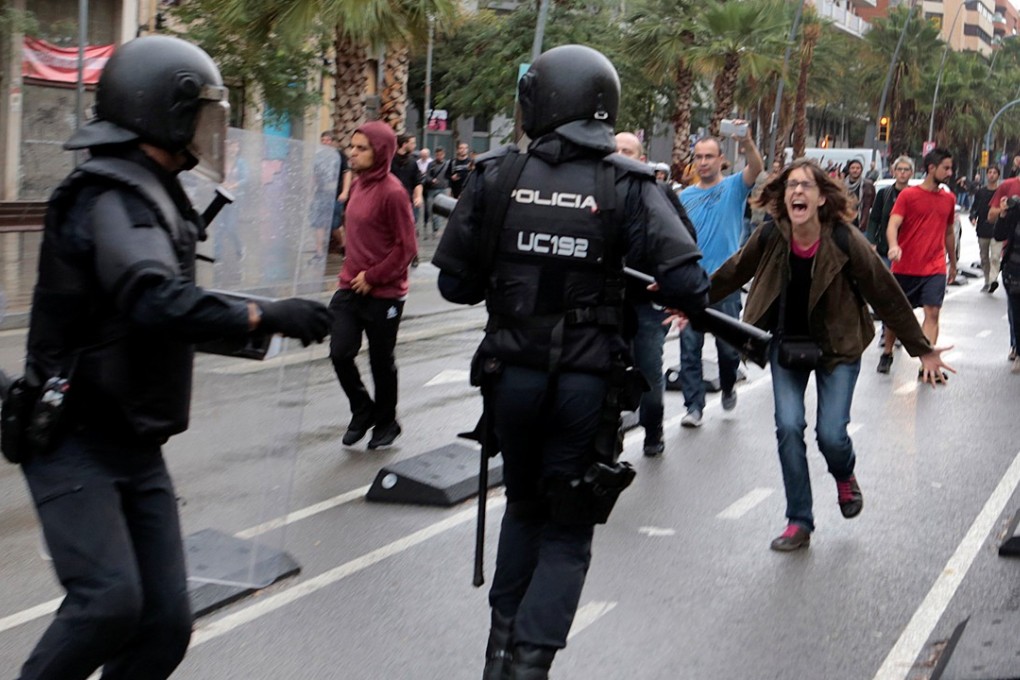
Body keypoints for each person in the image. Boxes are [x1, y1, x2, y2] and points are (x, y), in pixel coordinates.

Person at [13, 36, 331, 680]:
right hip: (73, 435)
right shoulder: (108, 197)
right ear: (165, 112)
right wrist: (265, 313)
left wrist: (269, 324)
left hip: (133, 444)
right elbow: (152, 297)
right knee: (107, 605)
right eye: (205, 112)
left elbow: (161, 315)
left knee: (162, 627)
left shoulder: (151, 190)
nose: (212, 130)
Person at [433, 45, 708, 679]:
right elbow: (689, 285)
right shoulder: (631, 185)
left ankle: (499, 655)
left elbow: (454, 285)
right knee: (567, 524)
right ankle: (529, 666)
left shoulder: (497, 174)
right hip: (584, 387)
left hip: (511, 380)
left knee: (524, 506)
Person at [708, 159, 954, 551]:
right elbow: (733, 272)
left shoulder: (843, 238)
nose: (797, 192)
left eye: (806, 185)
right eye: (790, 186)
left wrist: (921, 349)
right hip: (787, 345)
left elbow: (884, 291)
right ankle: (799, 521)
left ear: (822, 197)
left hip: (838, 347)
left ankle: (844, 475)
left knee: (831, 435)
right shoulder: (771, 234)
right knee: (788, 428)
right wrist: (687, 300)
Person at [330, 121, 418, 450]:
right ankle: (362, 410)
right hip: (349, 284)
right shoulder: (357, 184)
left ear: (380, 151)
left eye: (361, 147)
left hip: (385, 292)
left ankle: (386, 422)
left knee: (381, 361)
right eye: (351, 146)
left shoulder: (394, 192)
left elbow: (407, 247)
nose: (352, 152)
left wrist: (374, 276)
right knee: (340, 351)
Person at [614, 131, 696, 456]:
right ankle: (610, 437)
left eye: (627, 151)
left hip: (648, 303)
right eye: (614, 149)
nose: (619, 155)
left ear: (641, 159)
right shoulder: (597, 191)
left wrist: (666, 277)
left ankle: (653, 430)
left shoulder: (659, 192)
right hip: (608, 303)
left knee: (648, 372)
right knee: (605, 375)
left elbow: (685, 238)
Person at [677, 128, 763, 427]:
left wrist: (747, 141)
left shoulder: (734, 188)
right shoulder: (684, 197)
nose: (703, 162)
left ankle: (728, 385)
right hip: (692, 285)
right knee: (689, 350)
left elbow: (756, 167)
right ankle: (694, 407)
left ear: (720, 160)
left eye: (709, 156)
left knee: (728, 351)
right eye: (698, 157)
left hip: (724, 286)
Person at [883, 147, 957, 381]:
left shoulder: (949, 198)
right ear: (932, 168)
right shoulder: (908, 196)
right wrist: (893, 246)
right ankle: (887, 353)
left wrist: (952, 263)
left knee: (932, 313)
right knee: (897, 316)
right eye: (946, 167)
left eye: (951, 168)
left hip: (934, 267)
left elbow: (948, 234)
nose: (950, 172)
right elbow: (893, 225)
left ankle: (926, 364)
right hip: (905, 267)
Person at [311, 129, 342, 262]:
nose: (325, 142)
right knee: (318, 223)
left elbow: (346, 173)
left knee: (334, 224)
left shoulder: (339, 155)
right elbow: (315, 174)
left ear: (333, 141)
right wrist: (312, 189)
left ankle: (344, 245)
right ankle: (319, 252)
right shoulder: (318, 156)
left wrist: (345, 191)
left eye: (328, 140)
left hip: (335, 194)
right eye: (323, 140)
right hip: (320, 192)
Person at [970, 165, 1001, 293]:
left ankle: (993, 280)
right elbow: (975, 207)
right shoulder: (981, 192)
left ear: (998, 175)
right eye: (989, 172)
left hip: (998, 229)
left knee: (995, 256)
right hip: (983, 228)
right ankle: (987, 280)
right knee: (984, 257)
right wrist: (972, 217)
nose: (992, 175)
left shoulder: (1001, 191)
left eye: (994, 172)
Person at [424, 146, 451, 233]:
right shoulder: (431, 164)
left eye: (441, 154)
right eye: (437, 154)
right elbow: (427, 176)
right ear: (435, 155)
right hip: (432, 189)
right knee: (430, 208)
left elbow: (450, 175)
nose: (439, 156)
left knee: (441, 208)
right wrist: (431, 180)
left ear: (444, 155)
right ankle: (435, 224)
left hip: (443, 189)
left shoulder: (447, 164)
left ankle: (437, 227)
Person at [843, 158, 876, 230]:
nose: (855, 170)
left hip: (861, 223)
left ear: (861, 170)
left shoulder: (868, 185)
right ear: (849, 170)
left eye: (858, 168)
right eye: (853, 168)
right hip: (845, 222)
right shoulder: (842, 185)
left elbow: (873, 204)